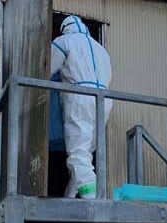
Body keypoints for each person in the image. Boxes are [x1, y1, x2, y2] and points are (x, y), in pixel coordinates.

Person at [50, 15, 112, 199]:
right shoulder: (101, 49)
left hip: (80, 97)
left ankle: (91, 199)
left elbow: (45, 69)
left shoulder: (63, 41)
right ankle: (71, 194)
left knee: (77, 152)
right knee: (88, 151)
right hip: (105, 99)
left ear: (64, 29)